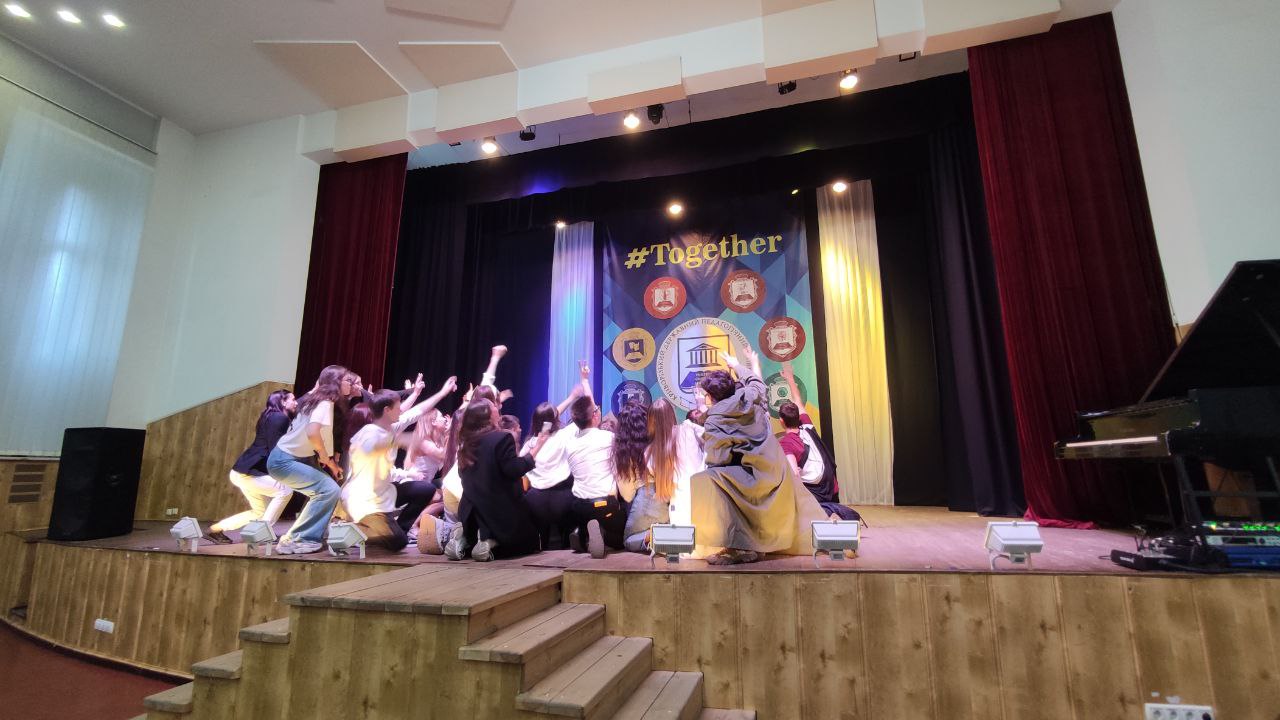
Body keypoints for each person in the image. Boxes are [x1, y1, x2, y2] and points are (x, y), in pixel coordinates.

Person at [690, 347, 827, 565]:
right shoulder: (752, 395)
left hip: (755, 480)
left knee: (706, 479)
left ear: (711, 397)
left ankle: (738, 547)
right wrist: (736, 365)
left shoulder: (715, 419)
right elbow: (755, 380)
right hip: (777, 471)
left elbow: (718, 458)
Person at [341, 378, 457, 552]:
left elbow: (417, 411)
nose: (401, 409)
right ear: (387, 410)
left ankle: (397, 530)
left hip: (384, 493)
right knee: (398, 543)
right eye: (398, 407)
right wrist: (401, 441)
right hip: (363, 500)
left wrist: (443, 392)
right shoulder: (368, 434)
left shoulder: (390, 428)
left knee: (424, 489)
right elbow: (372, 449)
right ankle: (359, 530)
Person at [445, 399, 550, 561]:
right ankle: (489, 542)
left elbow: (464, 476)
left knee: (478, 532)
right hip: (499, 513)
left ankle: (465, 539)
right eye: (493, 406)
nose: (497, 408)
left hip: (471, 512)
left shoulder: (465, 445)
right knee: (526, 541)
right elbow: (514, 469)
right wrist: (538, 447)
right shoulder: (502, 438)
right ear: (487, 415)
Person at [266, 365, 355, 554]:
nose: (351, 383)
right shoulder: (325, 403)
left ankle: (298, 536)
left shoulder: (315, 399)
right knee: (328, 490)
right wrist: (324, 456)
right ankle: (300, 538)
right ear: (336, 382)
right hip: (285, 461)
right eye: (348, 380)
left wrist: (331, 463)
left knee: (326, 490)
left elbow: (320, 435)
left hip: (288, 458)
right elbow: (313, 432)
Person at [205, 390, 297, 544]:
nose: (296, 402)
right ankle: (262, 532)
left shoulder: (267, 416)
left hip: (241, 471)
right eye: (293, 399)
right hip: (249, 472)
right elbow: (276, 449)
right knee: (285, 490)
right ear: (283, 402)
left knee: (259, 512)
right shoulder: (280, 418)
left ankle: (215, 529)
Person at [616, 398, 706, 553]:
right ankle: (679, 538)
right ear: (672, 413)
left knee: (629, 540)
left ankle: (667, 537)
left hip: (667, 501)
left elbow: (629, 495)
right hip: (701, 495)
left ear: (650, 421)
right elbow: (711, 437)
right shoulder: (688, 429)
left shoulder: (649, 452)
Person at [777, 362, 861, 522]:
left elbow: (794, 474)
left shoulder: (786, 443)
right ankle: (830, 511)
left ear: (781, 421)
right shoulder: (807, 426)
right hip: (831, 485)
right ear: (798, 417)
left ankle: (821, 512)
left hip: (815, 492)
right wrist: (790, 377)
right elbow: (798, 400)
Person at [563, 366, 624, 558]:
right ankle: (603, 534)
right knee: (621, 536)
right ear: (595, 416)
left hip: (580, 506)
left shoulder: (570, 444)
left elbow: (587, 410)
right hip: (605, 504)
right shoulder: (608, 438)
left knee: (587, 515)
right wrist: (585, 380)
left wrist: (584, 381)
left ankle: (583, 533)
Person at [520, 384, 584, 549]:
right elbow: (586, 414)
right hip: (563, 498)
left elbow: (549, 418)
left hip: (535, 501)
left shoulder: (529, 445)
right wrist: (575, 394)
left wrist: (570, 398)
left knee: (541, 544)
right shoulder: (563, 435)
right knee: (567, 543)